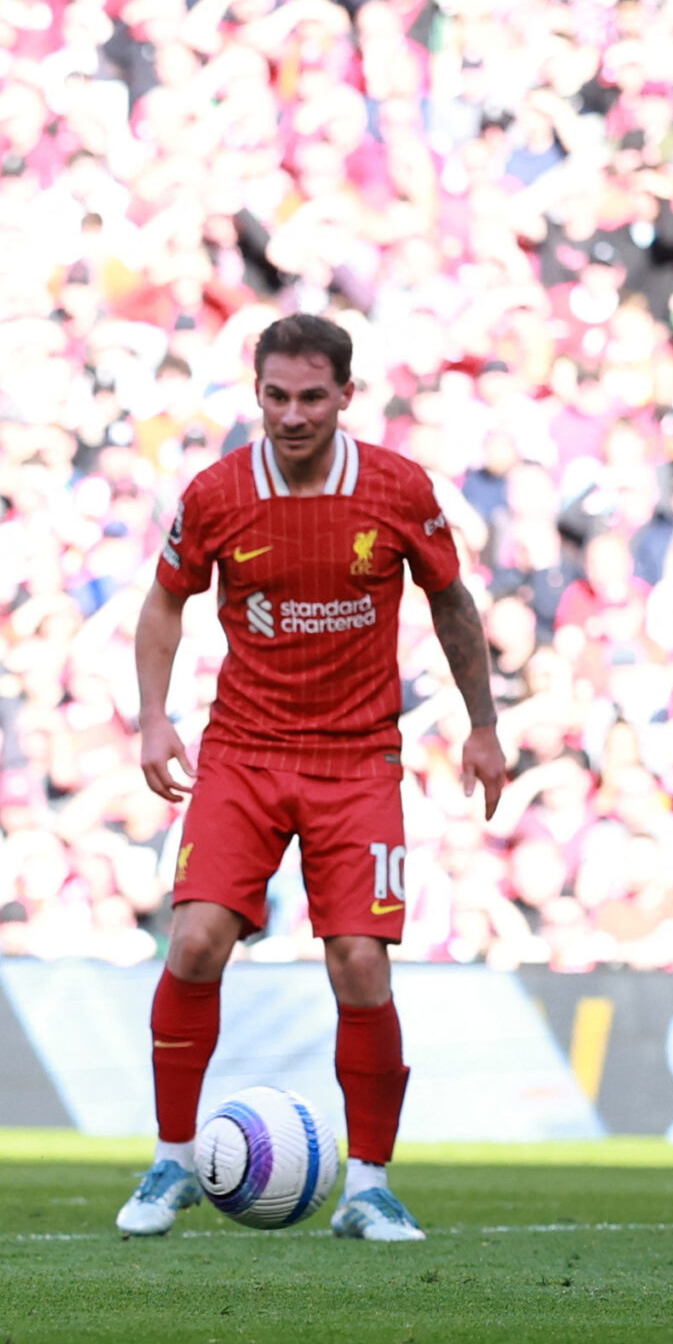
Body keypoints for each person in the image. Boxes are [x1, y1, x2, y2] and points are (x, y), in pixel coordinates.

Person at [120, 314, 508, 1244]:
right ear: (257, 393)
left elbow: (450, 600)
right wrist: (153, 715)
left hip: (356, 760)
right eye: (276, 397)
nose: (292, 416)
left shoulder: (395, 488)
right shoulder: (216, 493)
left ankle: (368, 1185)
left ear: (345, 395)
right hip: (244, 755)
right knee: (196, 942)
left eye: (311, 397)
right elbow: (163, 607)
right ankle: (172, 1162)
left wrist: (484, 726)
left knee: (361, 963)